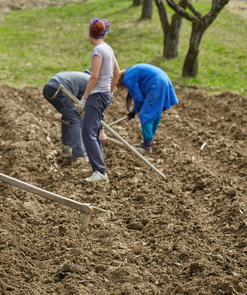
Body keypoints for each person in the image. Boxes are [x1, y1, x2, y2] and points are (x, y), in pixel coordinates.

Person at [79, 17, 120, 183]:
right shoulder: (108, 48)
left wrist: (85, 97)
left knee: (87, 132)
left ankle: (100, 171)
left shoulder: (98, 51)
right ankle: (98, 168)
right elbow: (116, 72)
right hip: (104, 95)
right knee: (94, 132)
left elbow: (94, 76)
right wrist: (109, 92)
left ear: (90, 34)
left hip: (96, 96)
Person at [116, 63, 179, 154]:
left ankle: (146, 146)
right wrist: (135, 109)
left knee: (146, 114)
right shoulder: (130, 71)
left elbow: (138, 97)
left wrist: (135, 110)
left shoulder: (127, 78)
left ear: (120, 82)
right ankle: (147, 141)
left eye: (120, 87)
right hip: (163, 80)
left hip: (156, 83)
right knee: (154, 112)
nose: (122, 88)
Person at [43, 71, 90, 163]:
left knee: (68, 116)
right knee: (76, 119)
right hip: (59, 89)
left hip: (49, 87)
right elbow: (91, 107)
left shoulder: (85, 77)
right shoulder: (93, 84)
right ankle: (79, 156)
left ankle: (67, 150)